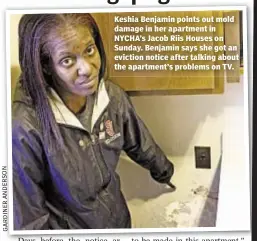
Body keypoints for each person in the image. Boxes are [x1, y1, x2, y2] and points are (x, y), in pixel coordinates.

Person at [12, 13, 175, 230]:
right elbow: (29, 221)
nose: (88, 69)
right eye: (67, 61)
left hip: (119, 223)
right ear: (46, 66)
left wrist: (164, 171)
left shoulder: (112, 98)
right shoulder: (24, 127)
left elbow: (139, 141)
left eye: (89, 50)